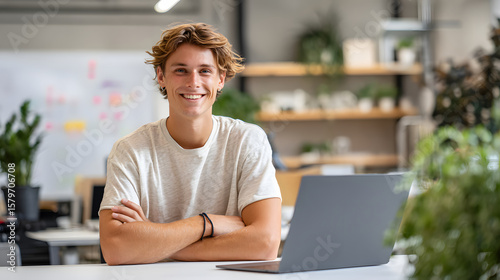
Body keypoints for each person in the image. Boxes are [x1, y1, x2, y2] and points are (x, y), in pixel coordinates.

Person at [98, 23, 282, 265]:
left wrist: (155, 241)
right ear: (161, 76)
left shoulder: (248, 140)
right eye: (181, 70)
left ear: (221, 79)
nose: (193, 82)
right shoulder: (131, 151)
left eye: (205, 71)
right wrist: (205, 223)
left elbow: (265, 244)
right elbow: (116, 248)